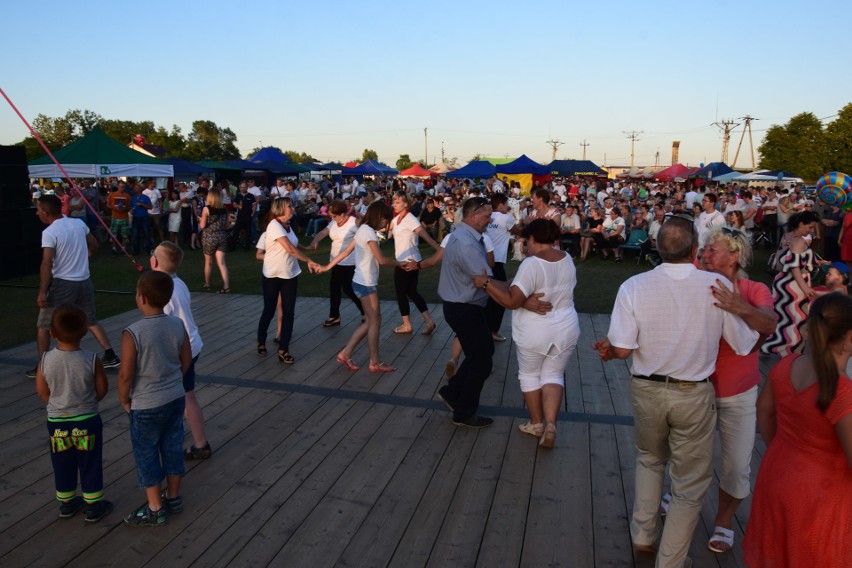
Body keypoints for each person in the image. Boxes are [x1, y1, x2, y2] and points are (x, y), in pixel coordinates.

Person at [593, 215, 758, 567]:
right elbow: (743, 344)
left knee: (650, 459)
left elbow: (621, 348)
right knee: (688, 483)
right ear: (695, 249)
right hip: (693, 393)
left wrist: (611, 350)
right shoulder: (714, 284)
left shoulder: (634, 286)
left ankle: (643, 534)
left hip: (647, 390)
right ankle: (670, 561)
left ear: (656, 246)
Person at [743, 293, 852, 567]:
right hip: (820, 496)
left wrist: (784, 449)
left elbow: (765, 410)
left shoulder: (786, 365)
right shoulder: (842, 392)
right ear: (849, 338)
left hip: (776, 472)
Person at [694, 228, 776, 553]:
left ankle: (725, 520)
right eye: (704, 248)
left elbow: (769, 324)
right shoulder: (696, 284)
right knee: (688, 455)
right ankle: (680, 496)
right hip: (697, 388)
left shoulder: (754, 289)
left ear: (734, 255)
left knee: (736, 465)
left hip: (739, 393)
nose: (704, 253)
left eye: (712, 249)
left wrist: (737, 306)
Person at [473, 219, 578, 448]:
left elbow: (512, 301)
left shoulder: (532, 263)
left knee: (530, 375)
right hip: (566, 327)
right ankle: (551, 425)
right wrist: (503, 286)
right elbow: (517, 288)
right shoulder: (567, 258)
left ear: (532, 239)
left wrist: (485, 284)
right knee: (553, 375)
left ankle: (536, 423)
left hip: (536, 330)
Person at [118, 271, 191, 526]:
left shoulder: (133, 332)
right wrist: (171, 382)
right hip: (174, 398)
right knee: (172, 447)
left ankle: (155, 508)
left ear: (141, 298)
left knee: (147, 453)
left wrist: (124, 399)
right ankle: (173, 497)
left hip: (145, 404)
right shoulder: (177, 325)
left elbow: (126, 374)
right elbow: (186, 361)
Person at [35, 305, 112, 523]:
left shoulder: (46, 360)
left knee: (62, 462)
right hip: (87, 420)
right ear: (85, 331)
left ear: (52, 334)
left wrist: (57, 404)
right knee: (90, 461)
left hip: (57, 422)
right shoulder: (91, 358)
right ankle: (93, 505)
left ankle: (67, 503)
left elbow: (42, 391)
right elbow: (102, 389)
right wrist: (88, 402)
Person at [28, 195, 120, 379]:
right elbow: (94, 243)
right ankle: (110, 354)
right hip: (84, 280)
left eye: (38, 210)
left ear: (46, 212)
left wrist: (42, 292)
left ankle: (43, 366)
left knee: (44, 325)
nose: (37, 213)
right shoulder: (78, 223)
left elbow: (46, 263)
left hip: (63, 283)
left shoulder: (50, 232)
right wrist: (87, 255)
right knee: (90, 319)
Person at [435, 196, 496, 428]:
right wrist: (512, 288)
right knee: (482, 362)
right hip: (464, 307)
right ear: (473, 216)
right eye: (487, 215)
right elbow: (483, 279)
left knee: (482, 353)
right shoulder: (467, 243)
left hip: (464, 306)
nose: (490, 219)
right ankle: (463, 413)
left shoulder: (464, 236)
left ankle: (452, 393)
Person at [150, 242, 212, 460]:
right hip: (192, 345)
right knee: (186, 395)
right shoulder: (179, 283)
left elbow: (160, 324)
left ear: (154, 262)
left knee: (181, 396)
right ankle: (196, 439)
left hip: (179, 350)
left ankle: (199, 443)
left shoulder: (164, 291)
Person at [323, 200, 400, 373]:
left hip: (363, 281)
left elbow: (345, 252)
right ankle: (374, 362)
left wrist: (327, 266)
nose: (386, 223)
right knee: (374, 321)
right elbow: (382, 259)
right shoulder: (368, 232)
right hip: (365, 283)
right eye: (386, 219)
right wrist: (401, 263)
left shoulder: (363, 230)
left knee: (372, 321)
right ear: (379, 216)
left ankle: (346, 353)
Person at [256, 197, 320, 365]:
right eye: (289, 206)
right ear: (280, 209)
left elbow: (295, 244)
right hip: (272, 275)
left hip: (290, 274)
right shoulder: (274, 226)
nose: (292, 208)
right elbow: (289, 249)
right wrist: (309, 260)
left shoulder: (288, 226)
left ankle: (283, 349)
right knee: (269, 311)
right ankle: (261, 341)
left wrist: (307, 248)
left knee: (289, 312)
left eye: (292, 206)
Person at [763, 211, 823, 356]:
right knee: (797, 319)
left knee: (783, 316)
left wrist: (818, 262)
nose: (811, 231)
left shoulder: (787, 236)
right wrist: (805, 287)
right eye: (810, 227)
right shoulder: (800, 241)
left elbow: (787, 258)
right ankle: (792, 350)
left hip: (783, 281)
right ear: (801, 224)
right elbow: (795, 266)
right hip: (794, 284)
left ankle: (772, 345)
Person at [305, 199, 364, 327]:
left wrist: (361, 224)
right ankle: (334, 316)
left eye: (334, 215)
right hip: (335, 261)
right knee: (334, 289)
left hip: (350, 262)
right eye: (330, 216)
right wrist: (315, 241)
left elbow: (365, 235)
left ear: (342, 213)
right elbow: (323, 232)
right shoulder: (333, 222)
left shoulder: (353, 223)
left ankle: (365, 312)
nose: (332, 218)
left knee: (349, 289)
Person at [388, 191, 440, 335]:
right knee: (411, 292)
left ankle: (406, 325)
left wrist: (439, 250)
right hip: (405, 260)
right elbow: (387, 231)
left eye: (397, 202)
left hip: (408, 262)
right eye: (393, 202)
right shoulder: (396, 219)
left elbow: (425, 235)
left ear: (406, 203)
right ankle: (429, 321)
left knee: (401, 293)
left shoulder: (410, 219)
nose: (394, 204)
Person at [485, 193, 515, 341]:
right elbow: (519, 231)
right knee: (501, 295)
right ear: (501, 204)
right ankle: (493, 330)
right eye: (506, 203)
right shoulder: (506, 218)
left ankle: (486, 327)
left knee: (488, 295)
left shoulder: (487, 216)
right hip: (496, 262)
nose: (507, 206)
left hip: (484, 260)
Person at [199, 188, 231, 294]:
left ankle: (207, 284)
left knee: (208, 262)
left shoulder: (206, 209)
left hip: (209, 237)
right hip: (222, 236)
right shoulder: (224, 209)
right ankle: (226, 286)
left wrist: (200, 220)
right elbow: (227, 225)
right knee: (222, 263)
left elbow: (202, 226)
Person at [106, 181, 131, 253]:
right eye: (121, 186)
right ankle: (114, 248)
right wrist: (114, 208)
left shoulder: (127, 195)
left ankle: (123, 248)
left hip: (124, 217)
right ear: (117, 186)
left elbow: (129, 207)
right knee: (113, 234)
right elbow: (108, 204)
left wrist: (125, 209)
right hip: (115, 217)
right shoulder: (112, 194)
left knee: (124, 234)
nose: (122, 188)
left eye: (123, 187)